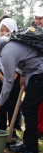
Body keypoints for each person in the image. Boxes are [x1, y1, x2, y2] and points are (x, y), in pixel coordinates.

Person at [0, 27, 43, 153]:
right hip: (33, 72)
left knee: (28, 108)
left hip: (39, 73)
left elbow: (8, 83)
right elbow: (26, 55)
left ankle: (32, 150)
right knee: (28, 108)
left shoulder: (6, 52)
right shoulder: (7, 40)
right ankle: (27, 144)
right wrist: (23, 74)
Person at [0, 18, 22, 137]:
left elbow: (21, 62)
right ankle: (0, 130)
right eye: (2, 30)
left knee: (13, 105)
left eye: (7, 30)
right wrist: (1, 77)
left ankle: (12, 131)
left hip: (15, 79)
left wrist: (13, 75)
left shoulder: (18, 43)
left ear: (14, 30)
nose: (4, 33)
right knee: (0, 104)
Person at [32, 7, 43, 136]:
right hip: (36, 72)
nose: (38, 21)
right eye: (36, 18)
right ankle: (39, 129)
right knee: (38, 103)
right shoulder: (31, 33)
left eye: (40, 18)